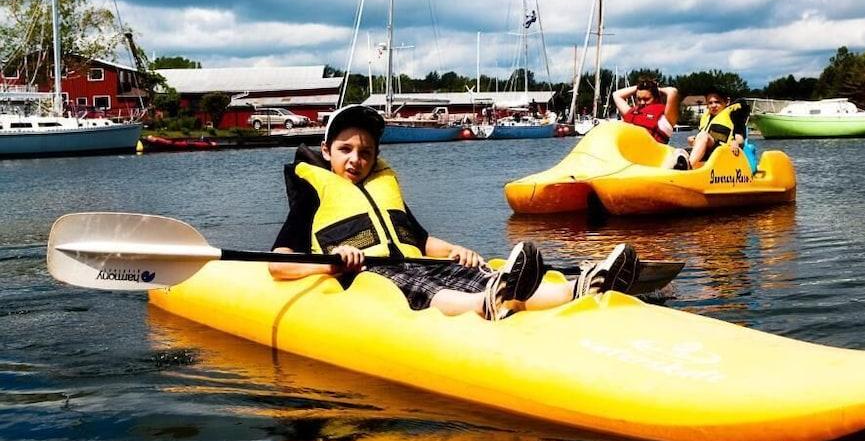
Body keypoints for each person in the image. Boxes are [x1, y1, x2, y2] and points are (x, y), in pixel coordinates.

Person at [269, 104, 640, 320]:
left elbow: (418, 238)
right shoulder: (313, 195)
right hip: (371, 276)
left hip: (416, 263)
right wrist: (330, 262)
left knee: (466, 273)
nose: (356, 160)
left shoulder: (382, 190)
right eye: (346, 149)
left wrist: (454, 251)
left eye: (365, 153)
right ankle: (484, 305)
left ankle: (580, 288)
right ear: (327, 149)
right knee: (421, 287)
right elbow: (278, 263)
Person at [686, 89, 751, 169]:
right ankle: (680, 167)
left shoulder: (734, 115)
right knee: (681, 151)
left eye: (717, 102)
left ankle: (688, 167)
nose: (713, 105)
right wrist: (694, 140)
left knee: (703, 136)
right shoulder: (706, 117)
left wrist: (735, 142)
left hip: (725, 153)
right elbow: (704, 140)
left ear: (726, 102)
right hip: (709, 154)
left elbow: (740, 138)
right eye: (710, 103)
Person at [612, 78, 680, 144]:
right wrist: (642, 86)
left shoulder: (666, 118)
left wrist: (657, 89)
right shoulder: (630, 112)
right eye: (639, 99)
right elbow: (616, 94)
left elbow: (673, 92)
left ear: (656, 98)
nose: (642, 102)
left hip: (652, 153)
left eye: (646, 99)